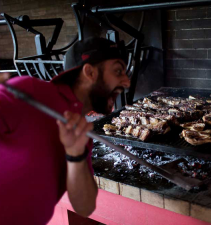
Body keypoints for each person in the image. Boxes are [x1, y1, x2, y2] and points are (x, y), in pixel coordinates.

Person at [0, 37, 130, 225]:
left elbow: (84, 207)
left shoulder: (80, 130)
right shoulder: (30, 92)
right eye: (118, 71)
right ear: (90, 72)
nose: (126, 82)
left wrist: (75, 154)